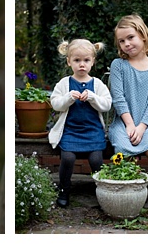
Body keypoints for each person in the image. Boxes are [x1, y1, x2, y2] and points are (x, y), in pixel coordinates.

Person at [108, 14, 148, 203]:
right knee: (121, 148)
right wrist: (129, 124)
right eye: (121, 41)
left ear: (143, 35)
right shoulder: (119, 65)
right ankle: (127, 188)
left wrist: (142, 127)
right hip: (123, 121)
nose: (126, 43)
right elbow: (118, 98)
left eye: (130, 37)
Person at [48, 39, 112, 207]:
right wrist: (68, 97)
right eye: (77, 60)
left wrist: (92, 97)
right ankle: (64, 189)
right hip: (71, 131)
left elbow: (107, 105)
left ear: (93, 62)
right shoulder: (64, 83)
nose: (81, 64)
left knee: (97, 159)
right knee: (67, 158)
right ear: (69, 61)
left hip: (93, 131)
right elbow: (55, 103)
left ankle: (103, 191)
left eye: (86, 60)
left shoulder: (97, 84)